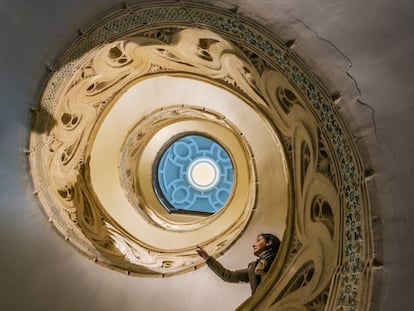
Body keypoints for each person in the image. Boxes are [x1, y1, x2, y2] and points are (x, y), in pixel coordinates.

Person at [196, 233, 280, 294]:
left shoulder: (281, 257)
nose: (254, 245)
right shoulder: (253, 268)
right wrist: (207, 258)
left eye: (258, 240)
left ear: (269, 242)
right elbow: (228, 276)